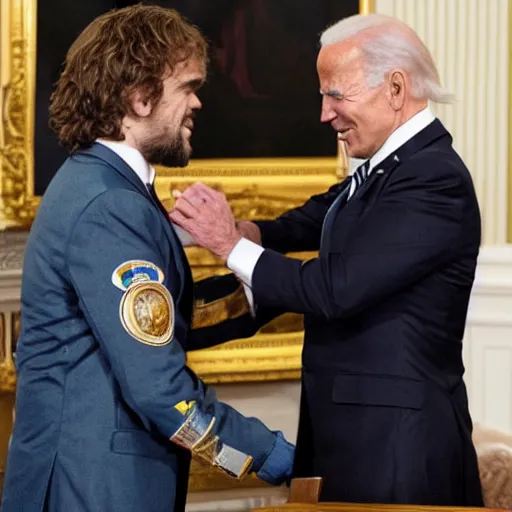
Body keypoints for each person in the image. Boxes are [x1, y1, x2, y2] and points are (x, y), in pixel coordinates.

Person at [170, 13, 484, 507]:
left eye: (336, 95)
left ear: (396, 88)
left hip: (398, 453)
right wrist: (249, 232)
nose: (324, 114)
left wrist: (230, 245)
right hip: (360, 444)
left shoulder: (432, 179)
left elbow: (334, 289)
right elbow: (315, 217)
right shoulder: (388, 169)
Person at [1, 5, 294, 512]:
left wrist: (275, 292)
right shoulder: (109, 203)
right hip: (94, 488)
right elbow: (162, 392)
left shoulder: (101, 184)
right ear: (139, 98)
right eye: (188, 86)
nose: (198, 102)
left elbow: (156, 320)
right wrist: (271, 455)